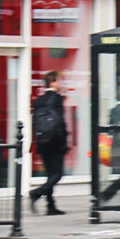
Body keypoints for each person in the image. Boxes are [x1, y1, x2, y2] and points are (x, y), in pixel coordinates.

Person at [29, 71, 69, 216]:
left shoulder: (38, 100)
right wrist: (64, 139)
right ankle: (37, 193)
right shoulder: (57, 99)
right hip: (56, 142)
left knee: (50, 173)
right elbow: (59, 122)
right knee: (57, 174)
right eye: (59, 81)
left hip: (42, 141)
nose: (61, 83)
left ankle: (51, 206)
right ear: (52, 83)